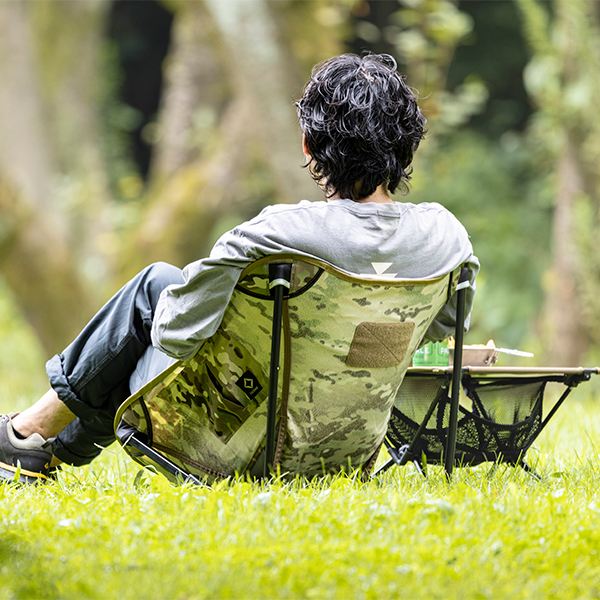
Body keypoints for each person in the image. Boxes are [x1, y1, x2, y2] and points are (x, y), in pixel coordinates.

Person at [0, 53, 479, 484]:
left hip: (235, 444)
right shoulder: (448, 240)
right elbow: (439, 341)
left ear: (310, 146)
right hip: (348, 455)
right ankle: (41, 452)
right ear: (409, 144)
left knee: (155, 287)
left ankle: (28, 433)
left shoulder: (276, 233)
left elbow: (174, 333)